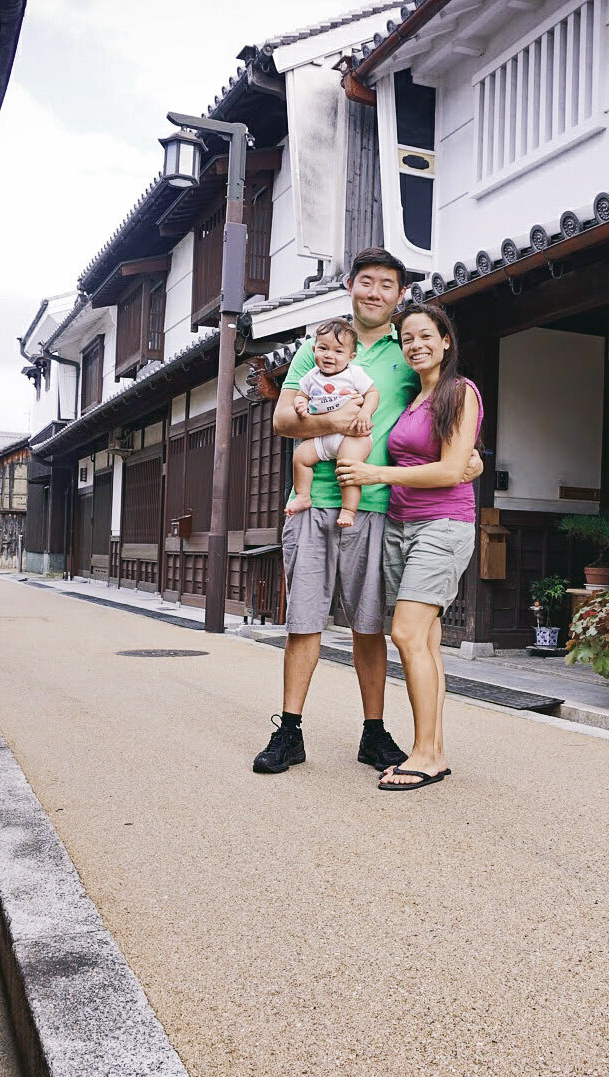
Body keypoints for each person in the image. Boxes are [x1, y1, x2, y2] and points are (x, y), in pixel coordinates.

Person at [253, 248, 481, 776]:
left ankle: (374, 734)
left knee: (370, 625)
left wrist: (467, 460)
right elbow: (284, 420)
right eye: (366, 281)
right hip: (316, 503)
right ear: (350, 286)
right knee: (304, 619)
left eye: (387, 284)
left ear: (401, 295)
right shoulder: (324, 345)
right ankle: (289, 731)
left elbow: (438, 416)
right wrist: (337, 417)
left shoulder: (410, 351)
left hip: (382, 508)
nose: (375, 292)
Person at [336, 302, 482, 790]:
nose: (416, 345)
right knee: (427, 642)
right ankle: (435, 749)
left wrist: (375, 473)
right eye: (408, 339)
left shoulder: (460, 393)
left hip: (442, 525)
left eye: (426, 336)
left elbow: (448, 470)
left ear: (446, 342)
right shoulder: (413, 399)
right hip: (401, 525)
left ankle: (423, 754)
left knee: (405, 634)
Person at [283, 318, 377, 528]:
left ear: (350, 356)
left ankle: (348, 509)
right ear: (314, 348)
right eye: (323, 348)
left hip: (352, 437)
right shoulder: (311, 376)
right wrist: (300, 404)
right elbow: (301, 395)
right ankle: (303, 496)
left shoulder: (354, 374)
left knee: (347, 468)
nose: (329, 355)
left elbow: (372, 393)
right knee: (300, 457)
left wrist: (366, 413)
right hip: (322, 437)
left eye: (338, 351)